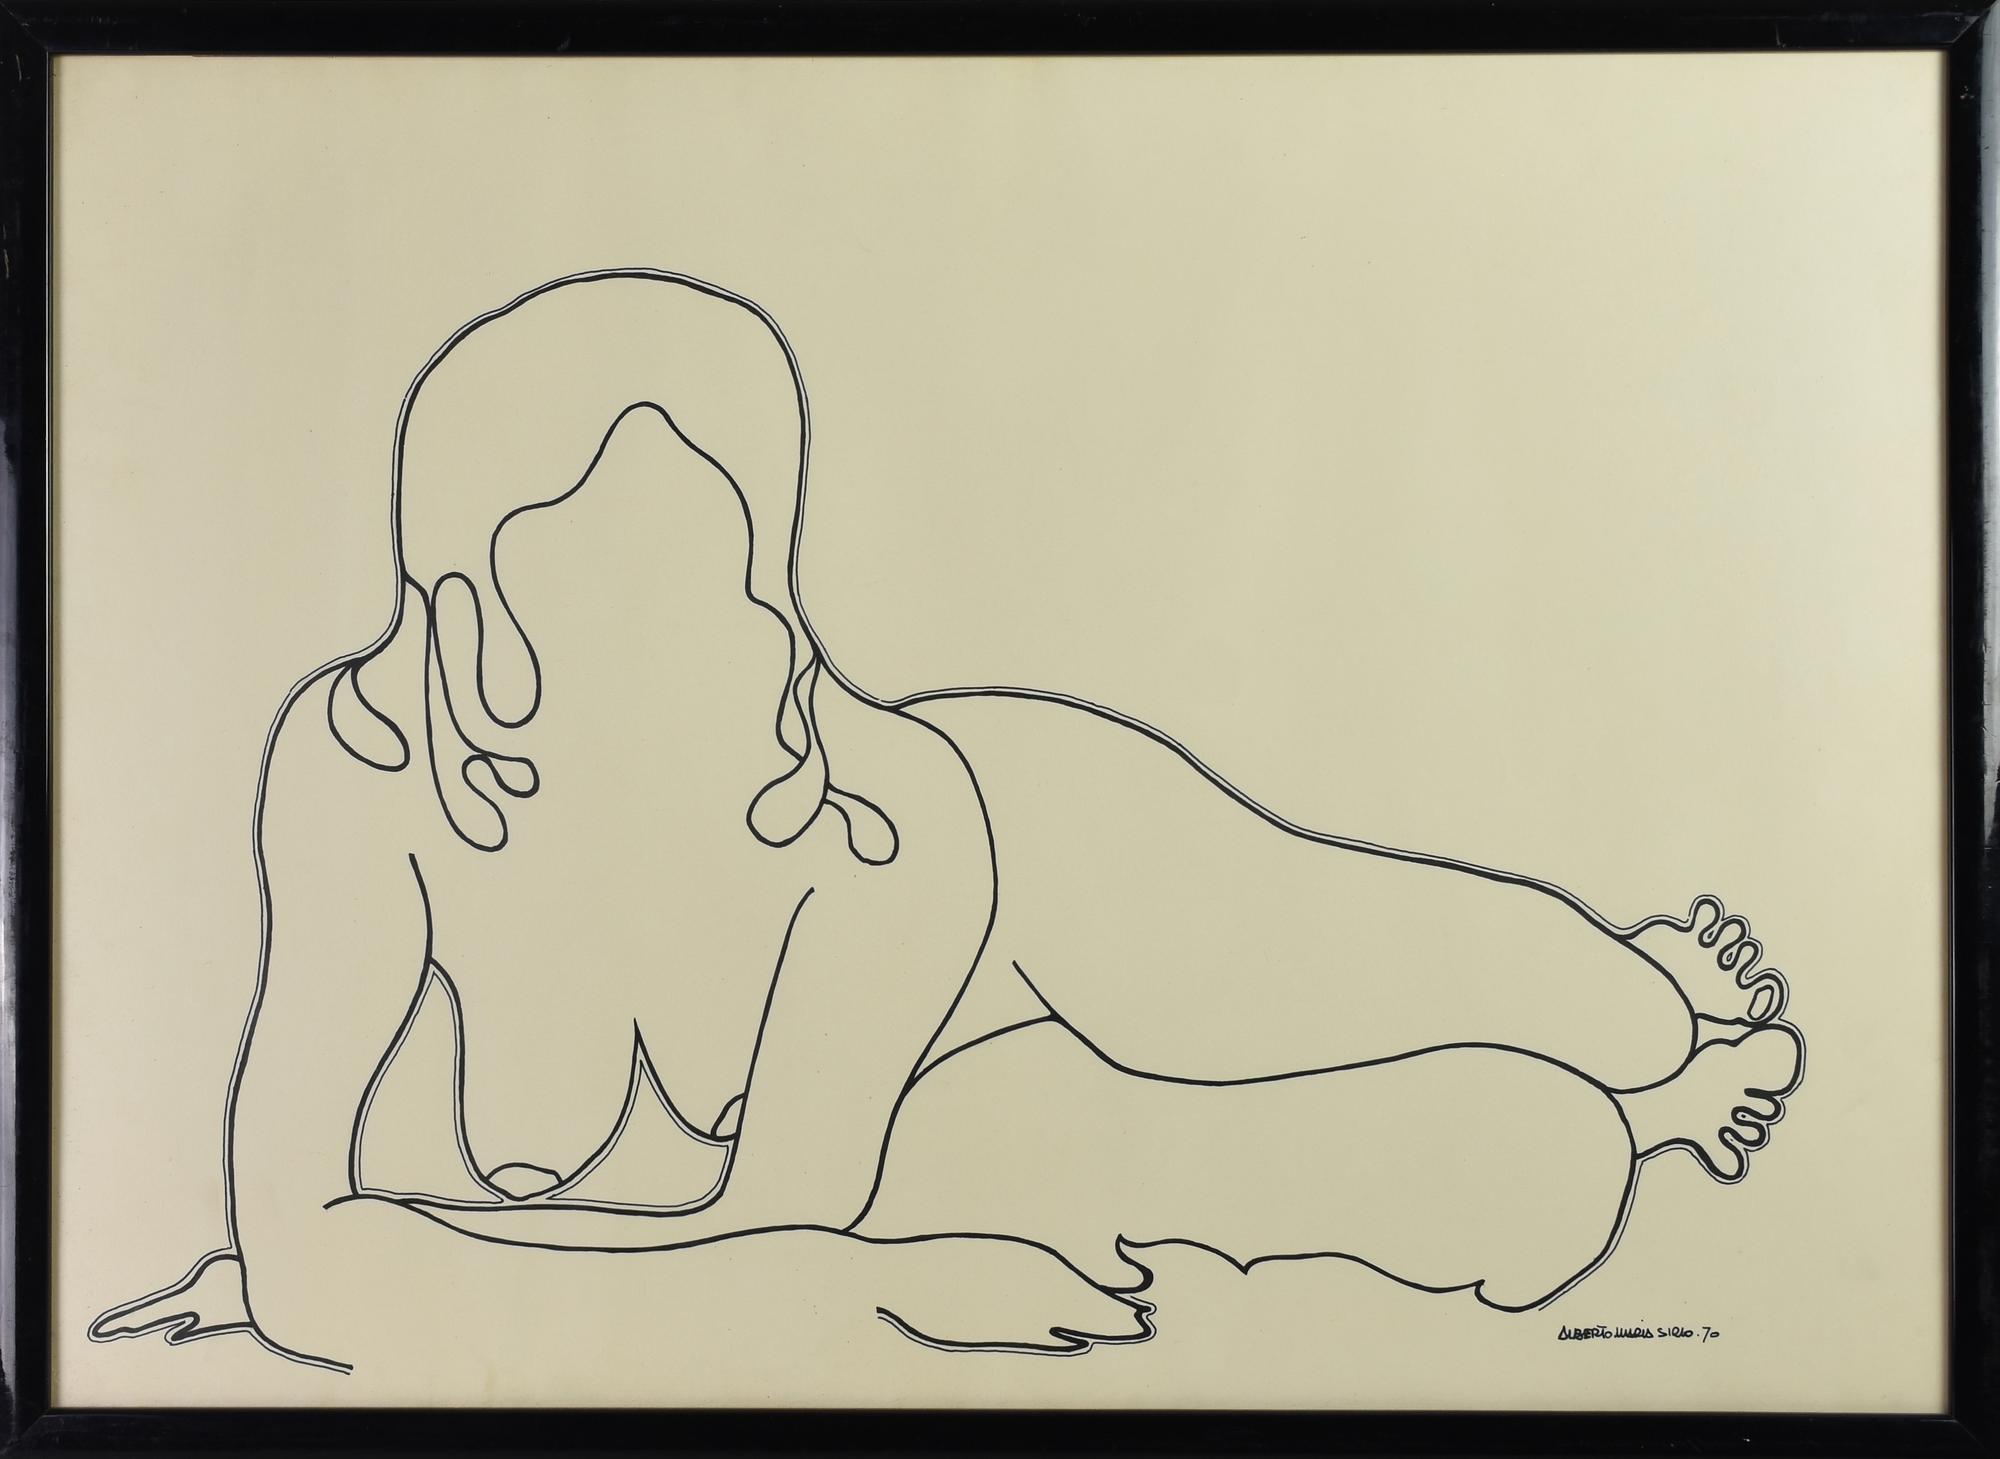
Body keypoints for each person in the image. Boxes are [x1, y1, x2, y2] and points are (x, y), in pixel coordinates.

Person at [91, 271, 1803, 1376]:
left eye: (703, 579)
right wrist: (361, 1265)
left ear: (769, 594)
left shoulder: (882, 814)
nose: (653, 633)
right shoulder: (357, 765)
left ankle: (1643, 998)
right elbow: (326, 1261)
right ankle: (1613, 1132)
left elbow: (783, 1241)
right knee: (1420, 1161)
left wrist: (428, 1260)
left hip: (1036, 855)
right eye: (584, 574)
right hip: (957, 1082)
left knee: (1338, 962)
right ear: (463, 605)